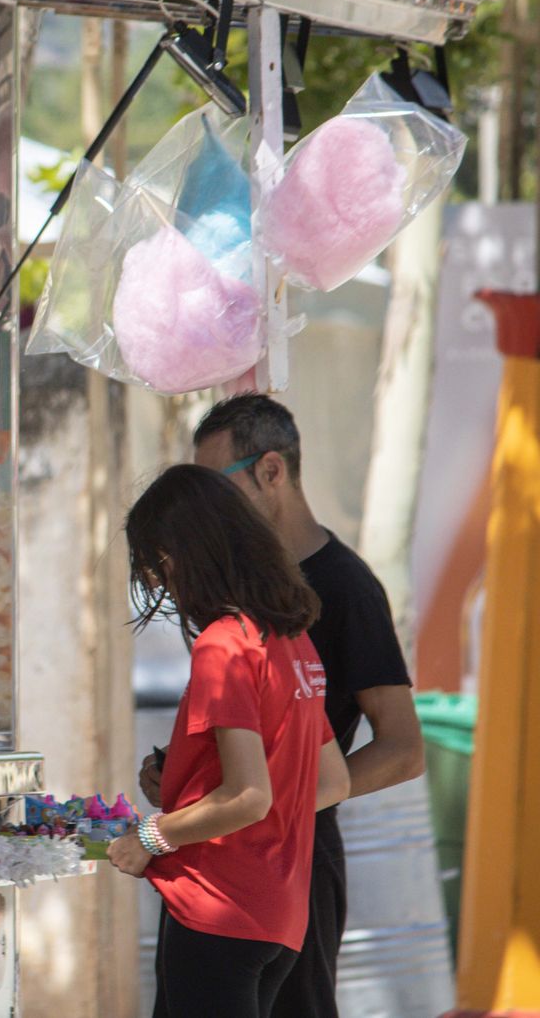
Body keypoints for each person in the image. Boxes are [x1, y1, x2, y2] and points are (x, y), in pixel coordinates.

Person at [159, 392, 425, 1018]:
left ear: (272, 471)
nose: (212, 511)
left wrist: (267, 800)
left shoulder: (344, 586)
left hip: (292, 863)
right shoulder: (238, 596)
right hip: (219, 870)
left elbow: (403, 749)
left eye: (219, 487)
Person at [108, 464, 350, 1018]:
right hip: (279, 917)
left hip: (216, 909)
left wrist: (151, 835)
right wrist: (188, 781)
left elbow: (248, 797)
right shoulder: (292, 640)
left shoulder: (224, 644)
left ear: (181, 557)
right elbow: (329, 780)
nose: (161, 589)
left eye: (158, 573)